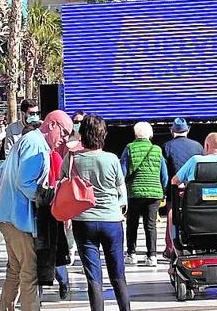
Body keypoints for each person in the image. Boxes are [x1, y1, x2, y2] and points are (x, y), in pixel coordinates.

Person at [0, 110, 72, 311]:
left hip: (9, 215)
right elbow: (25, 182)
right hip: (16, 218)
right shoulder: (35, 144)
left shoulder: (30, 141)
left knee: (15, 270)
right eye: (64, 133)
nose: (64, 139)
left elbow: (5, 173)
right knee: (30, 272)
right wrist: (50, 196)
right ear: (52, 125)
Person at [61, 115, 131, 311]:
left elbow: (62, 185)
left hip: (83, 221)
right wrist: (119, 209)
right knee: (118, 276)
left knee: (93, 278)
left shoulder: (72, 159)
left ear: (81, 135)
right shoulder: (112, 159)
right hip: (111, 221)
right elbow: (121, 192)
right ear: (104, 135)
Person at [171, 133, 217, 247]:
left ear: (206, 146)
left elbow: (174, 181)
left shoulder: (195, 161)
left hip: (193, 228)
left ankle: (171, 249)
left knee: (172, 214)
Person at [120, 122, 168, 267]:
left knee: (132, 224)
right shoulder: (157, 150)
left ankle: (131, 254)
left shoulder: (129, 148)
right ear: (150, 134)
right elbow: (164, 175)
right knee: (150, 225)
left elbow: (122, 172)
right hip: (154, 194)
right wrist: (163, 190)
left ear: (135, 134)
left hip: (134, 193)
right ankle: (152, 256)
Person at [161, 118, 203, 259]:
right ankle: (195, 246)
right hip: (194, 189)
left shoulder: (166, 146)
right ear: (188, 130)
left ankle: (170, 248)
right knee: (194, 217)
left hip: (173, 189)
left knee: (172, 218)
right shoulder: (197, 146)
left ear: (172, 130)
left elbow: (165, 172)